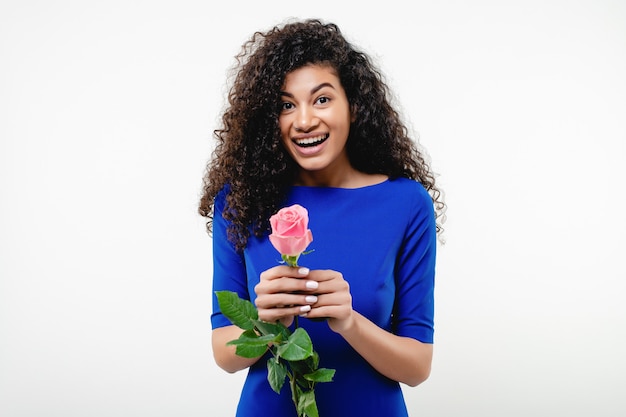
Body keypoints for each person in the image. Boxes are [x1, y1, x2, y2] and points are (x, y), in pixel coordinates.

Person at [199, 18, 446, 417]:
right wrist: (263, 321)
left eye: (322, 99)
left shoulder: (405, 203)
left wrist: (349, 322)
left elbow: (418, 366)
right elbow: (223, 353)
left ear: (354, 105)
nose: (304, 120)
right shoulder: (239, 200)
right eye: (285, 105)